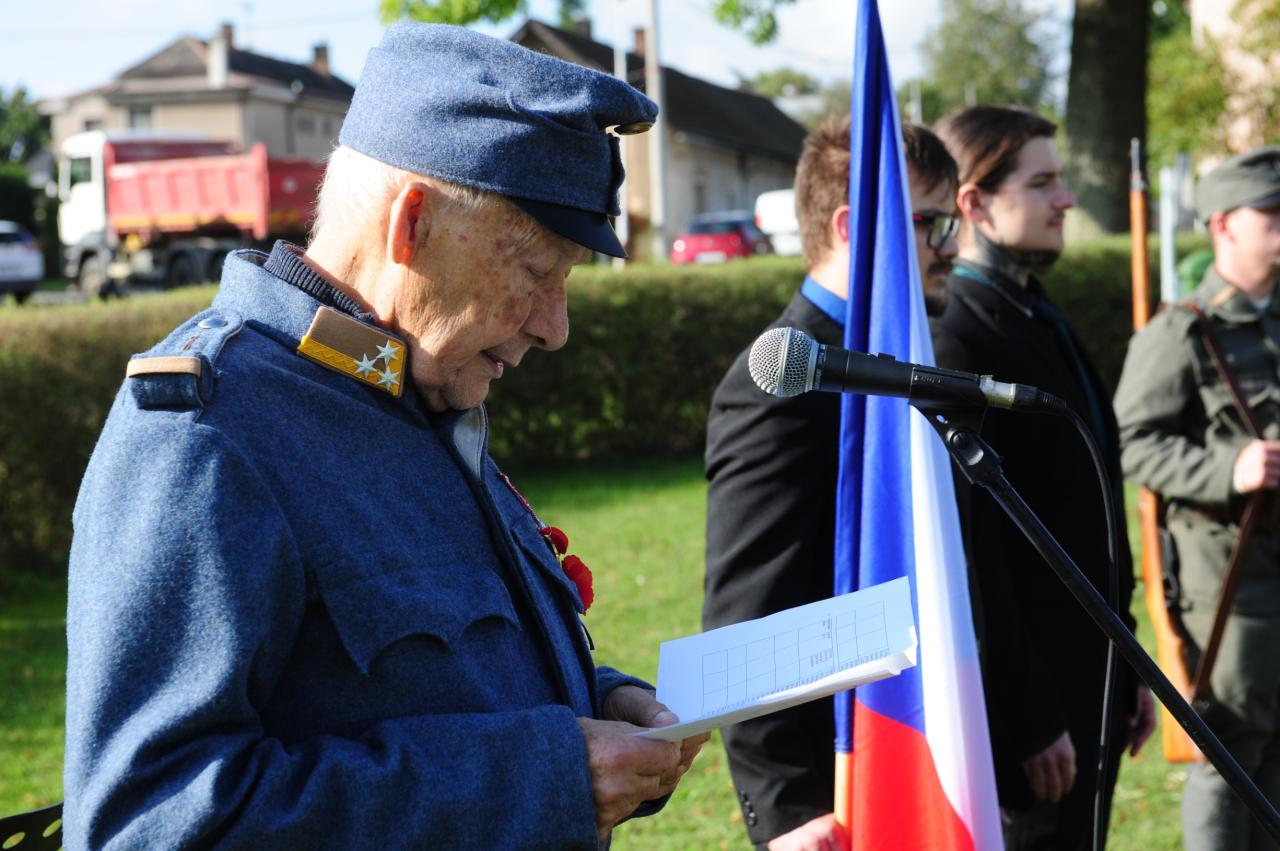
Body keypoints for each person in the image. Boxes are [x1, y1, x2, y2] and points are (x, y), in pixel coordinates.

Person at [62, 24, 708, 849]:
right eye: (536, 270)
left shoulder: (405, 383)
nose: (555, 326)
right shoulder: (207, 432)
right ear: (412, 224)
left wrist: (597, 702)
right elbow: (145, 823)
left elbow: (416, 685)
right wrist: (542, 775)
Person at [702, 117, 961, 851]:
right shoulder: (779, 384)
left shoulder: (900, 353)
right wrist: (786, 809)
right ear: (851, 227)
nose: (951, 246)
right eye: (930, 224)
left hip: (927, 749)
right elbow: (748, 613)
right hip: (847, 782)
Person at [930, 104, 1155, 848]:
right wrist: (1026, 716)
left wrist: (1125, 661)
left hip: (1091, 676)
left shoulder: (1031, 310)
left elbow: (1085, 509)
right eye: (1041, 183)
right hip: (1034, 711)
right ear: (974, 203)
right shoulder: (957, 335)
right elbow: (977, 551)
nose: (1066, 199)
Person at [1114, 146, 1280, 851]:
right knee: (1228, 750)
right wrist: (1229, 468)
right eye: (1270, 213)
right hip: (1230, 579)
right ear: (1222, 225)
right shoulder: (1180, 330)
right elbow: (1131, 442)